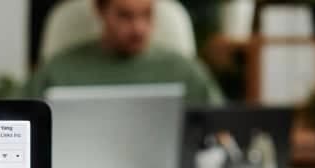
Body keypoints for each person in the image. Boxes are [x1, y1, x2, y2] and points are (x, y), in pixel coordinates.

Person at [27, 0, 223, 106]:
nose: (138, 28)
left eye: (147, 14)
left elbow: (220, 127)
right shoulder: (59, 70)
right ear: (100, 11)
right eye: (125, 16)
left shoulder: (184, 71)